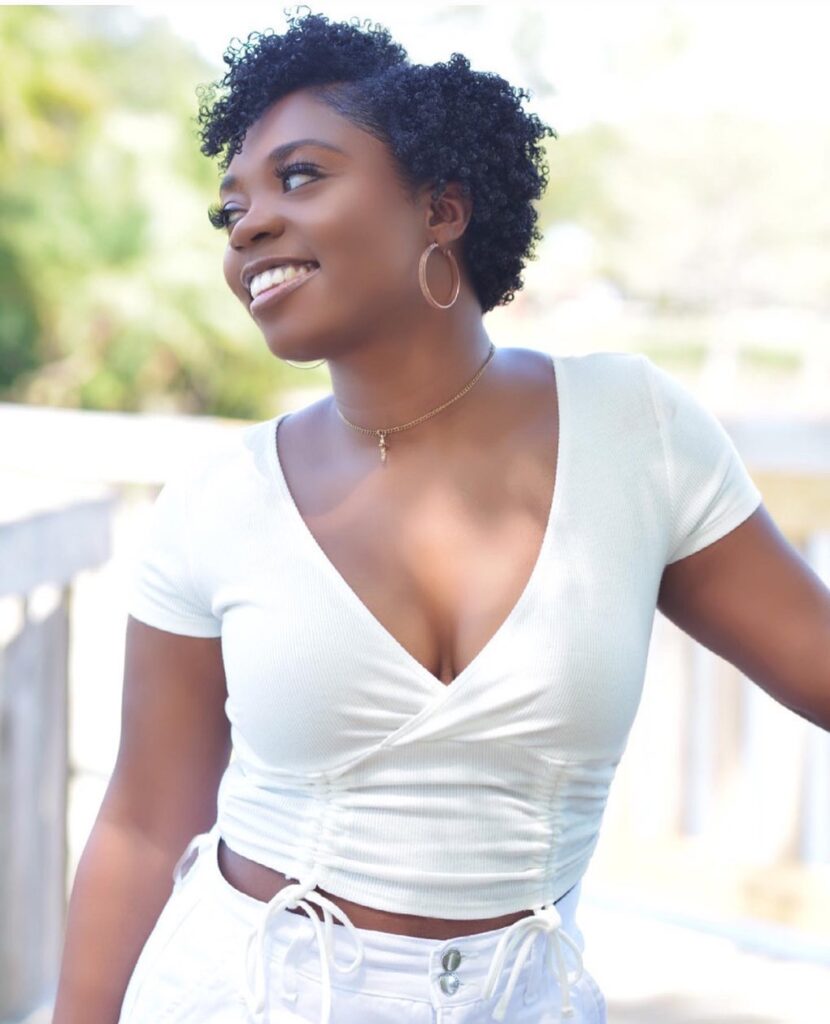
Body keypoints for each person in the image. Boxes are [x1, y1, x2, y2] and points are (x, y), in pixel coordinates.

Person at [51, 8, 830, 1024]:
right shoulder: (216, 502)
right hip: (235, 990)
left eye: (300, 176)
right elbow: (146, 822)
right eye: (229, 208)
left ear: (442, 207)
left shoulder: (633, 431)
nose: (246, 225)